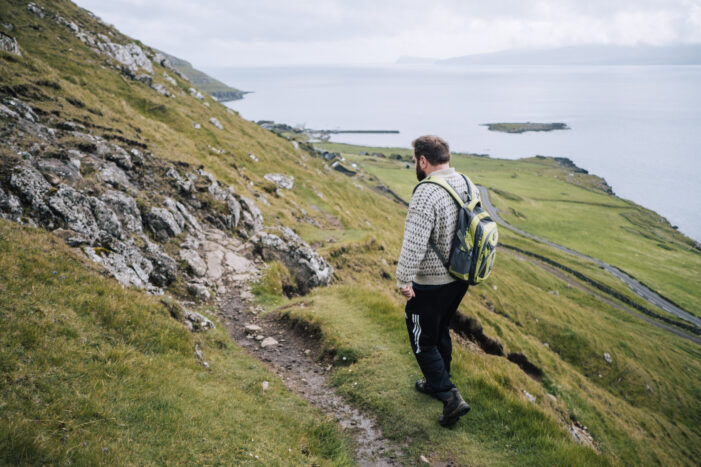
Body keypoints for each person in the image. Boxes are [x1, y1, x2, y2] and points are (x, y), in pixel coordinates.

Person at [396, 135, 472, 427]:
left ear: (423, 160)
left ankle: (450, 397)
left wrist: (404, 280)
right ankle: (435, 382)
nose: (414, 164)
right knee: (439, 331)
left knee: (422, 340)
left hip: (431, 282)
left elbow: (413, 243)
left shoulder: (426, 192)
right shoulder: (465, 182)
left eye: (415, 160)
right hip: (459, 279)